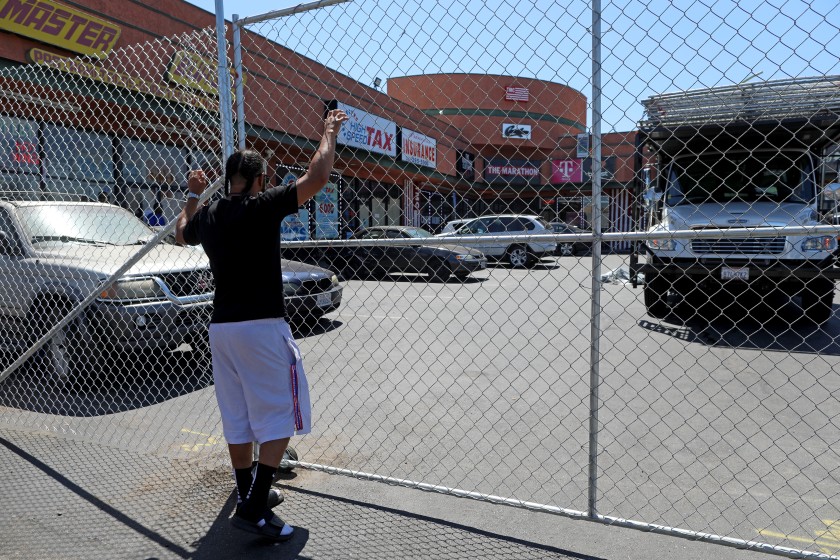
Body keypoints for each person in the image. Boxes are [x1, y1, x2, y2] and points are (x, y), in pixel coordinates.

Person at [175, 108, 348, 542]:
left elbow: (181, 233)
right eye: (267, 177)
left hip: (222, 330)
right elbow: (318, 175)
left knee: (238, 418)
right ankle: (253, 507)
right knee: (280, 418)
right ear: (256, 180)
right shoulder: (262, 206)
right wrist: (327, 131)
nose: (270, 183)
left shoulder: (212, 213)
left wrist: (193, 194)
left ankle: (249, 494)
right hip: (262, 328)